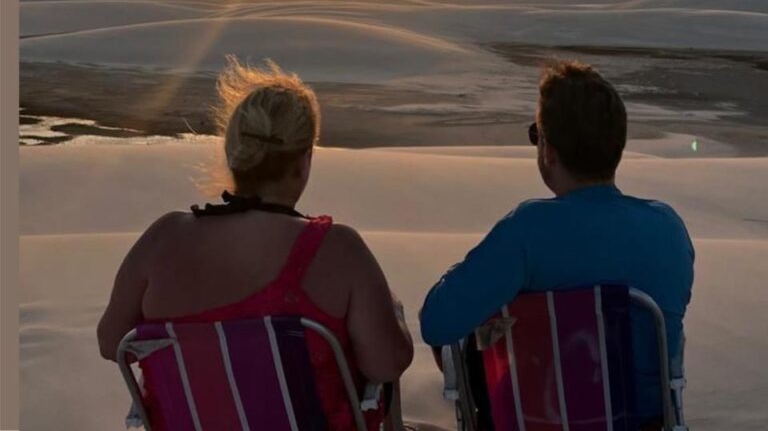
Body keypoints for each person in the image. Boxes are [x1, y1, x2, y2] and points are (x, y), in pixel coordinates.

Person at [97, 56, 413, 430]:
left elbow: (111, 342)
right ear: (303, 162)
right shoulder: (338, 250)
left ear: (233, 153)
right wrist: (395, 315)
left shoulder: (162, 239)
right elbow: (387, 364)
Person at [420, 60, 695, 426]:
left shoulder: (527, 230)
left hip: (540, 420)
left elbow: (436, 323)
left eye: (537, 134)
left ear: (548, 150)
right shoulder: (667, 229)